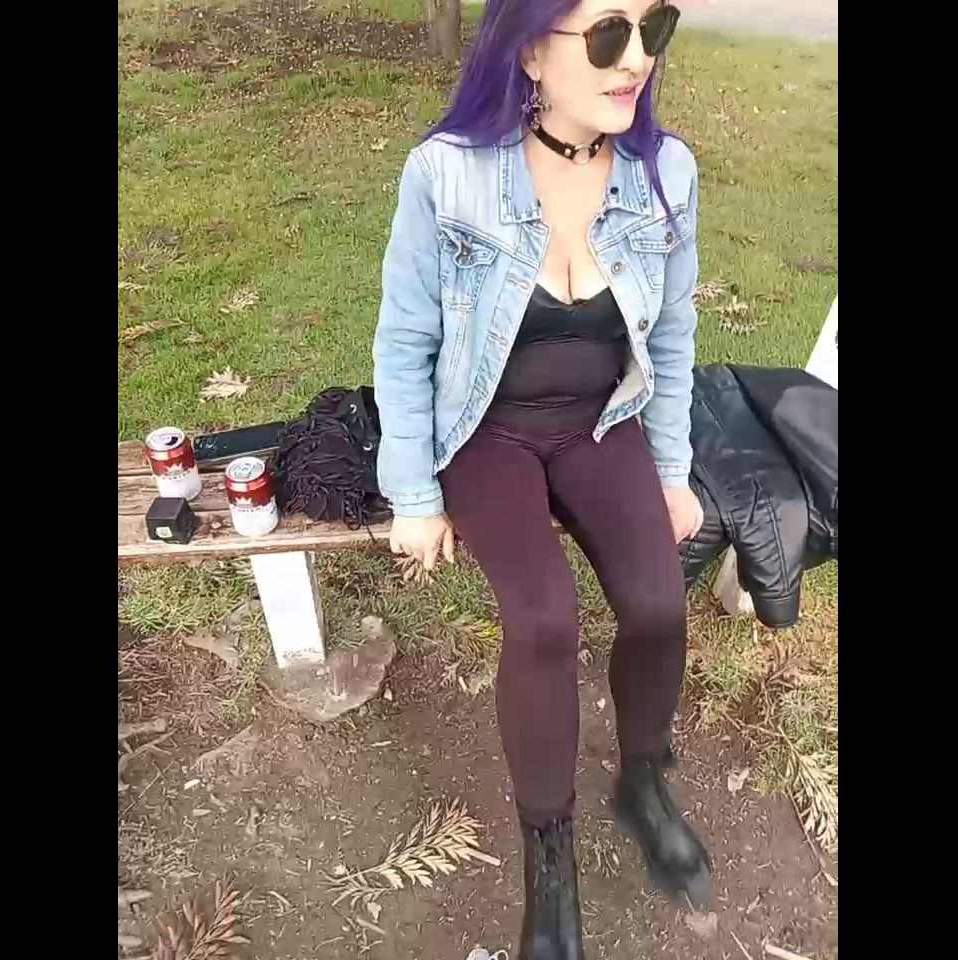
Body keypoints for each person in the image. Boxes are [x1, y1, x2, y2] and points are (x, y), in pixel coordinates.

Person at [373, 2, 711, 956]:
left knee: (658, 603)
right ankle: (549, 861)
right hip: (487, 433)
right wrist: (414, 494)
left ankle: (641, 782)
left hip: (601, 423)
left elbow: (672, 338)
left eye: (654, 27)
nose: (636, 58)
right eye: (607, 34)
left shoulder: (665, 171)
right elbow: (404, 341)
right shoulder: (447, 173)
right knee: (544, 620)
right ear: (529, 49)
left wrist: (673, 472)